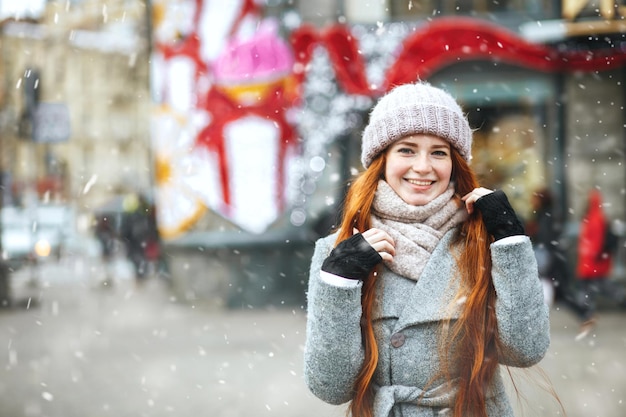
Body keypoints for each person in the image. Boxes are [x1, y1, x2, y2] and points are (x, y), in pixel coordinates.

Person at [303, 82, 550, 417]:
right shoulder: (339, 251)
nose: (423, 167)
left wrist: (510, 241)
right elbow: (331, 388)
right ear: (382, 159)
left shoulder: (481, 239)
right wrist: (340, 283)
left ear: (454, 163)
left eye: (438, 152)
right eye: (406, 150)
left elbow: (526, 350)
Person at [573, 189, 626, 337]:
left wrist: (589, 254)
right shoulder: (595, 217)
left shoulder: (594, 219)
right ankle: (587, 316)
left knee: (591, 289)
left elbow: (594, 242)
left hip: (591, 264)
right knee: (596, 288)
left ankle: (587, 316)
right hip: (591, 263)